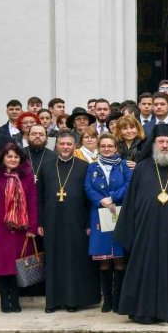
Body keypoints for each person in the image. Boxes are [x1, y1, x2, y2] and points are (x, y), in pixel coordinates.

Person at [113, 125, 168, 324]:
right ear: (154, 144)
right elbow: (129, 203)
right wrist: (130, 231)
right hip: (145, 233)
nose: (164, 145)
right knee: (145, 269)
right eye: (160, 142)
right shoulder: (142, 168)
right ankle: (143, 311)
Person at [36, 130, 100, 312]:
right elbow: (39, 197)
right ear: (56, 145)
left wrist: (89, 223)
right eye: (62, 144)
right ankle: (53, 302)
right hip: (51, 221)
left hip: (76, 221)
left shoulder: (84, 166)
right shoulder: (47, 166)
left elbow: (90, 198)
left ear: (75, 146)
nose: (65, 147)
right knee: (53, 260)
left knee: (74, 261)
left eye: (69, 144)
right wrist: (40, 222)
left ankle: (73, 301)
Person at [0, 142, 39, 313]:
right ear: (3, 158)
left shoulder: (27, 176)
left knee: (16, 267)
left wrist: (32, 228)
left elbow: (33, 202)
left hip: (21, 229)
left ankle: (15, 299)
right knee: (0, 267)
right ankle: (4, 300)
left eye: (16, 156)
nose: (13, 159)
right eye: (9, 156)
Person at [86, 133, 132, 313]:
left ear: (116, 148)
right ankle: (108, 299)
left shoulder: (123, 166)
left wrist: (112, 197)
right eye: (103, 146)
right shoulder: (92, 167)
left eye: (110, 146)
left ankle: (119, 299)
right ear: (99, 147)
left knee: (119, 258)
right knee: (104, 259)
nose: (106, 149)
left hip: (120, 213)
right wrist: (102, 200)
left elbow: (130, 184)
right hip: (99, 214)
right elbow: (88, 187)